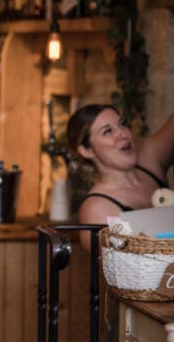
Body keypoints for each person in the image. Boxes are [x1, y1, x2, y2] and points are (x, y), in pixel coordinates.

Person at [68, 103, 174, 250]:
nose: (123, 134)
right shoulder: (96, 209)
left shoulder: (150, 161)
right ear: (87, 151)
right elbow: (117, 270)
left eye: (122, 124)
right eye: (107, 131)